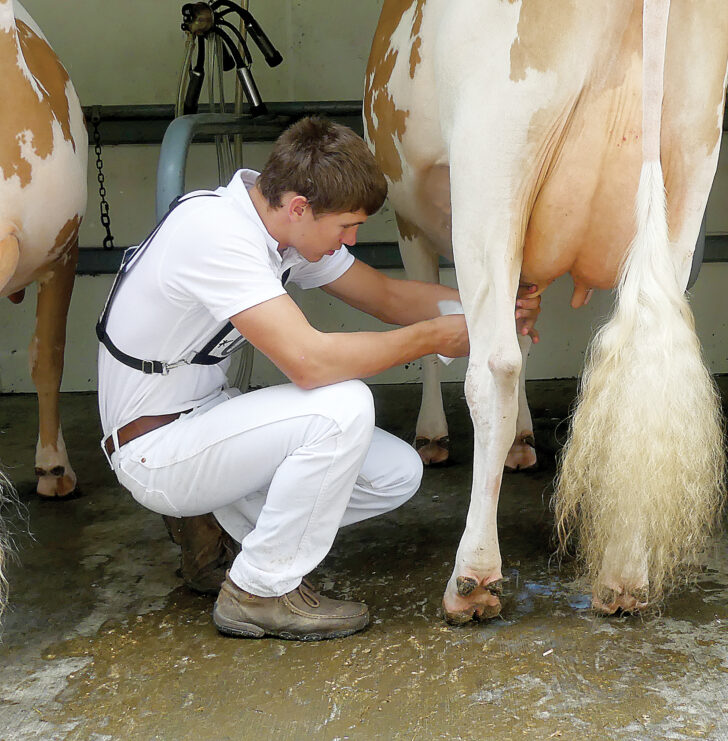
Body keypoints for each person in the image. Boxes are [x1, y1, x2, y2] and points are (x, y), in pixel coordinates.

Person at [96, 116, 540, 641]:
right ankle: (260, 591)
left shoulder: (281, 230)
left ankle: (222, 526)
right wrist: (432, 339)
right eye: (346, 227)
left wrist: (493, 310)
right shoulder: (215, 233)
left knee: (396, 473)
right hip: (155, 448)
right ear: (300, 207)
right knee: (342, 407)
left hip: (206, 420)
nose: (350, 240)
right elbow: (308, 362)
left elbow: (389, 298)